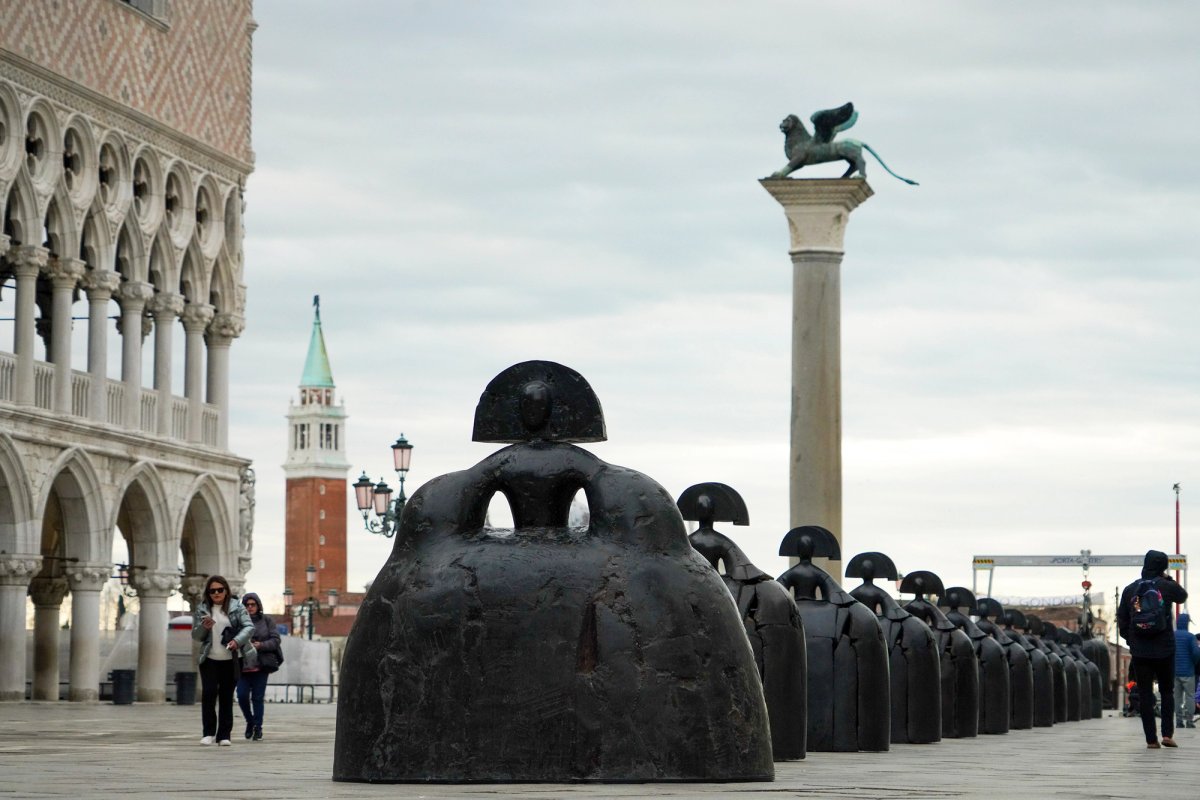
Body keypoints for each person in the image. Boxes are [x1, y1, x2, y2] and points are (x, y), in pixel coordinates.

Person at [1117, 550, 1188, 748]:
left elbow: (1122, 618)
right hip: (1164, 648)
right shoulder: (1165, 586)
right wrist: (1169, 579)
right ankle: (1167, 735)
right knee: (1167, 691)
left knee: (1145, 694)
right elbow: (1182, 596)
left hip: (1140, 651)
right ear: (1163, 566)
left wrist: (1131, 639)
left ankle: (1151, 740)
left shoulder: (1131, 589)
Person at [191, 575, 253, 746]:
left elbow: (249, 627)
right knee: (209, 693)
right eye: (213, 591)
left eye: (220, 590)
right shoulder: (202, 609)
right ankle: (208, 733)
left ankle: (224, 735)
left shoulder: (237, 607)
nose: (216, 593)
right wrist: (204, 627)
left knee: (226, 696)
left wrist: (236, 641)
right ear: (208, 593)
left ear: (226, 591)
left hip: (232, 659)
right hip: (209, 658)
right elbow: (195, 636)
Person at [236, 592, 282, 741]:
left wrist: (260, 645)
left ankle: (258, 728)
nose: (250, 607)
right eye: (247, 605)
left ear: (258, 605)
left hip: (261, 666)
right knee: (241, 696)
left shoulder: (267, 620)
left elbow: (275, 640)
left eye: (252, 604)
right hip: (242, 666)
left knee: (257, 698)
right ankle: (250, 721)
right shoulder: (237, 621)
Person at [1174, 613, 1200, 728]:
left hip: (1175, 672)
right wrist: (1193, 663)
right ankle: (1189, 721)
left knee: (1177, 697)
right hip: (1189, 672)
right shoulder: (1190, 637)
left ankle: (1179, 721)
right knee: (1190, 696)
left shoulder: (1172, 635)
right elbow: (1196, 653)